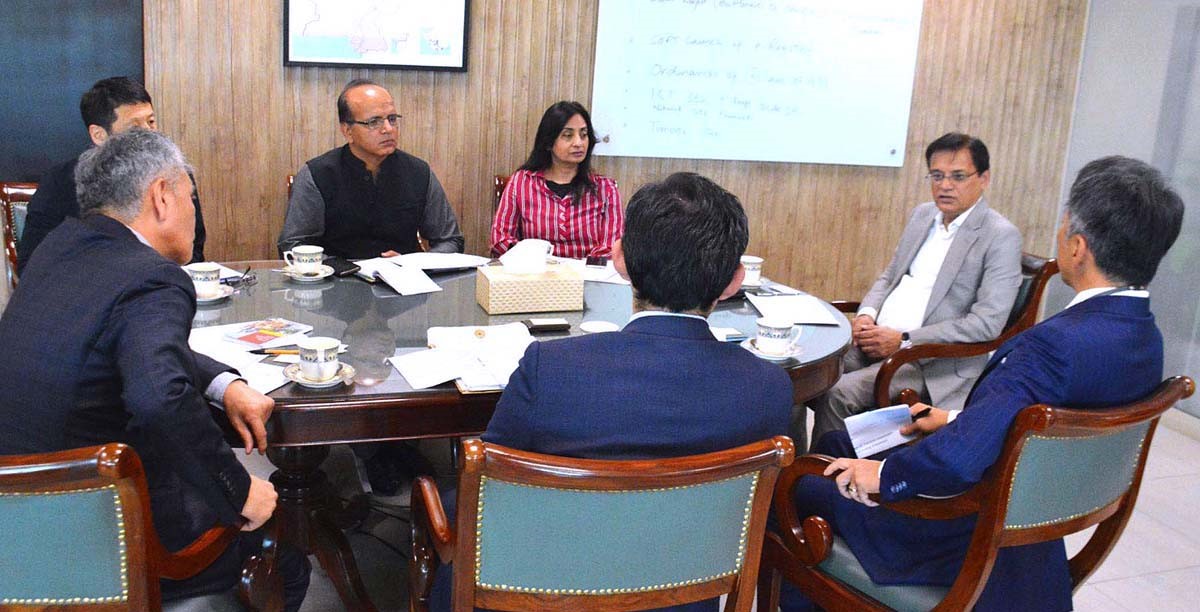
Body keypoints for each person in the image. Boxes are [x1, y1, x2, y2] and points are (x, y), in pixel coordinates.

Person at [780, 156, 1185, 612]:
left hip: (962, 528)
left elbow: (956, 463)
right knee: (839, 441)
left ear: (1077, 247)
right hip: (1030, 515)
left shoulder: (1051, 346)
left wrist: (884, 476)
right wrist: (954, 418)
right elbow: (1048, 418)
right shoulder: (1145, 338)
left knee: (798, 482)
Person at [427, 172, 793, 612]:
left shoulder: (550, 368)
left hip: (544, 591)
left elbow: (487, 494)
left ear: (619, 259)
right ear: (734, 280)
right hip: (683, 594)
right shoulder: (768, 388)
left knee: (449, 505)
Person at [0, 130, 310, 610]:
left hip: (20, 518)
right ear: (162, 196)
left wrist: (222, 384)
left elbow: (116, 342)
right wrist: (239, 489)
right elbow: (160, 400)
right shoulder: (152, 277)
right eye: (191, 196)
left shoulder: (63, 245)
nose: (194, 213)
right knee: (284, 562)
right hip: (101, 531)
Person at [806, 132, 1022, 446]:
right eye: (937, 175)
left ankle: (824, 471)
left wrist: (905, 340)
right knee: (804, 374)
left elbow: (986, 324)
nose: (945, 185)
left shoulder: (1000, 235)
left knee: (836, 394)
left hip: (929, 361)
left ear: (984, 178)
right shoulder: (923, 215)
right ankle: (789, 464)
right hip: (877, 341)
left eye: (958, 176)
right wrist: (866, 315)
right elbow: (890, 276)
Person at [17, 76, 207, 275]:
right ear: (98, 135)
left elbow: (194, 251)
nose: (149, 134)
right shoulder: (60, 182)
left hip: (165, 282)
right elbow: (32, 263)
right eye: (134, 128)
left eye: (151, 122)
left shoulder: (175, 175)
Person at [279, 78, 464, 259]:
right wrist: (347, 269)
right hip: (335, 276)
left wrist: (412, 263)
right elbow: (293, 245)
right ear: (347, 131)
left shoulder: (419, 173)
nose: (388, 129)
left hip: (403, 276)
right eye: (374, 122)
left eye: (392, 119)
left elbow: (451, 240)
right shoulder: (317, 175)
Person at [490, 101, 624, 259]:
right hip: (534, 271)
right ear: (548, 142)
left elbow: (611, 248)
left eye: (584, 134)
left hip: (587, 273)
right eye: (568, 135)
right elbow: (499, 239)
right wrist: (531, 256)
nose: (578, 143)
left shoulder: (605, 189)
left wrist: (577, 268)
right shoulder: (522, 182)